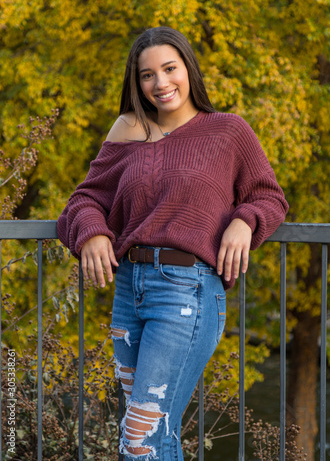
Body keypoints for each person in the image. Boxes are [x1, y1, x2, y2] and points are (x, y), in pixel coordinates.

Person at [57, 26, 288, 460]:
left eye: (169, 69)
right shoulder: (128, 129)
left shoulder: (228, 131)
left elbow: (269, 196)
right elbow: (86, 198)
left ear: (188, 69)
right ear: (137, 83)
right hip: (129, 291)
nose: (160, 84)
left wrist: (244, 221)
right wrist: (91, 232)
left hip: (188, 292)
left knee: (139, 439)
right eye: (147, 75)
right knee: (152, 437)